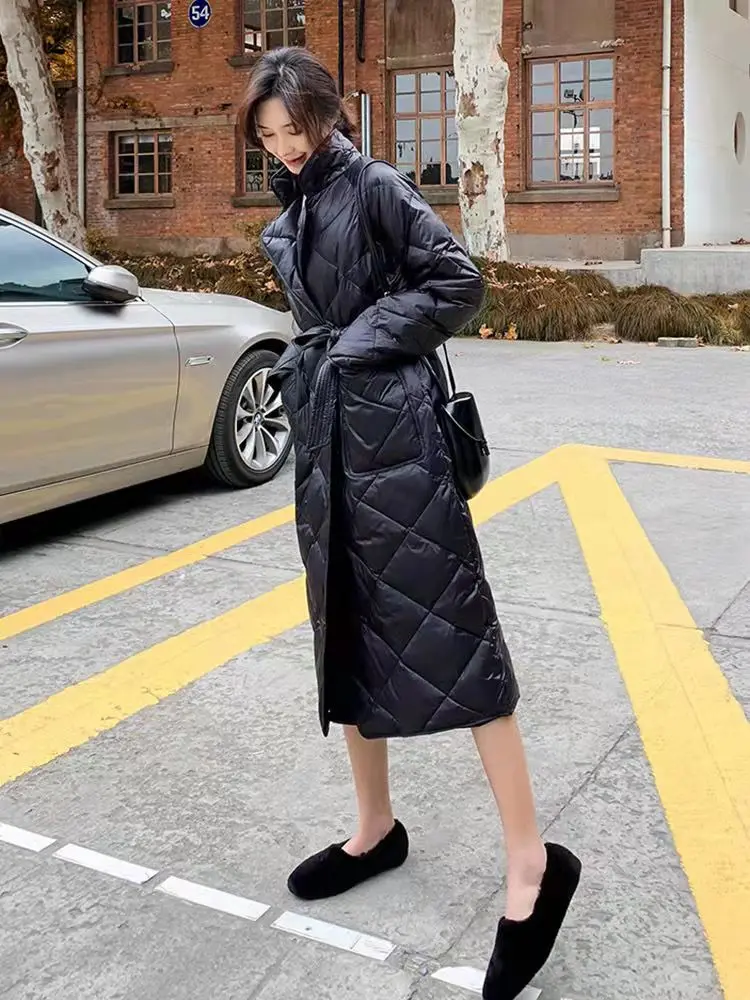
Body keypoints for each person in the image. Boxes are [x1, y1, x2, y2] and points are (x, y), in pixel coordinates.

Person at [240, 47, 581, 1000]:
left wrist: (354, 344)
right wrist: (313, 365)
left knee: (456, 640)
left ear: (327, 115)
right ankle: (376, 829)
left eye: (295, 128)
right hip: (329, 448)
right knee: (344, 632)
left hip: (401, 445)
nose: (285, 146)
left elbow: (458, 283)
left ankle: (532, 860)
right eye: (268, 135)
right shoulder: (291, 213)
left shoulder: (376, 186)